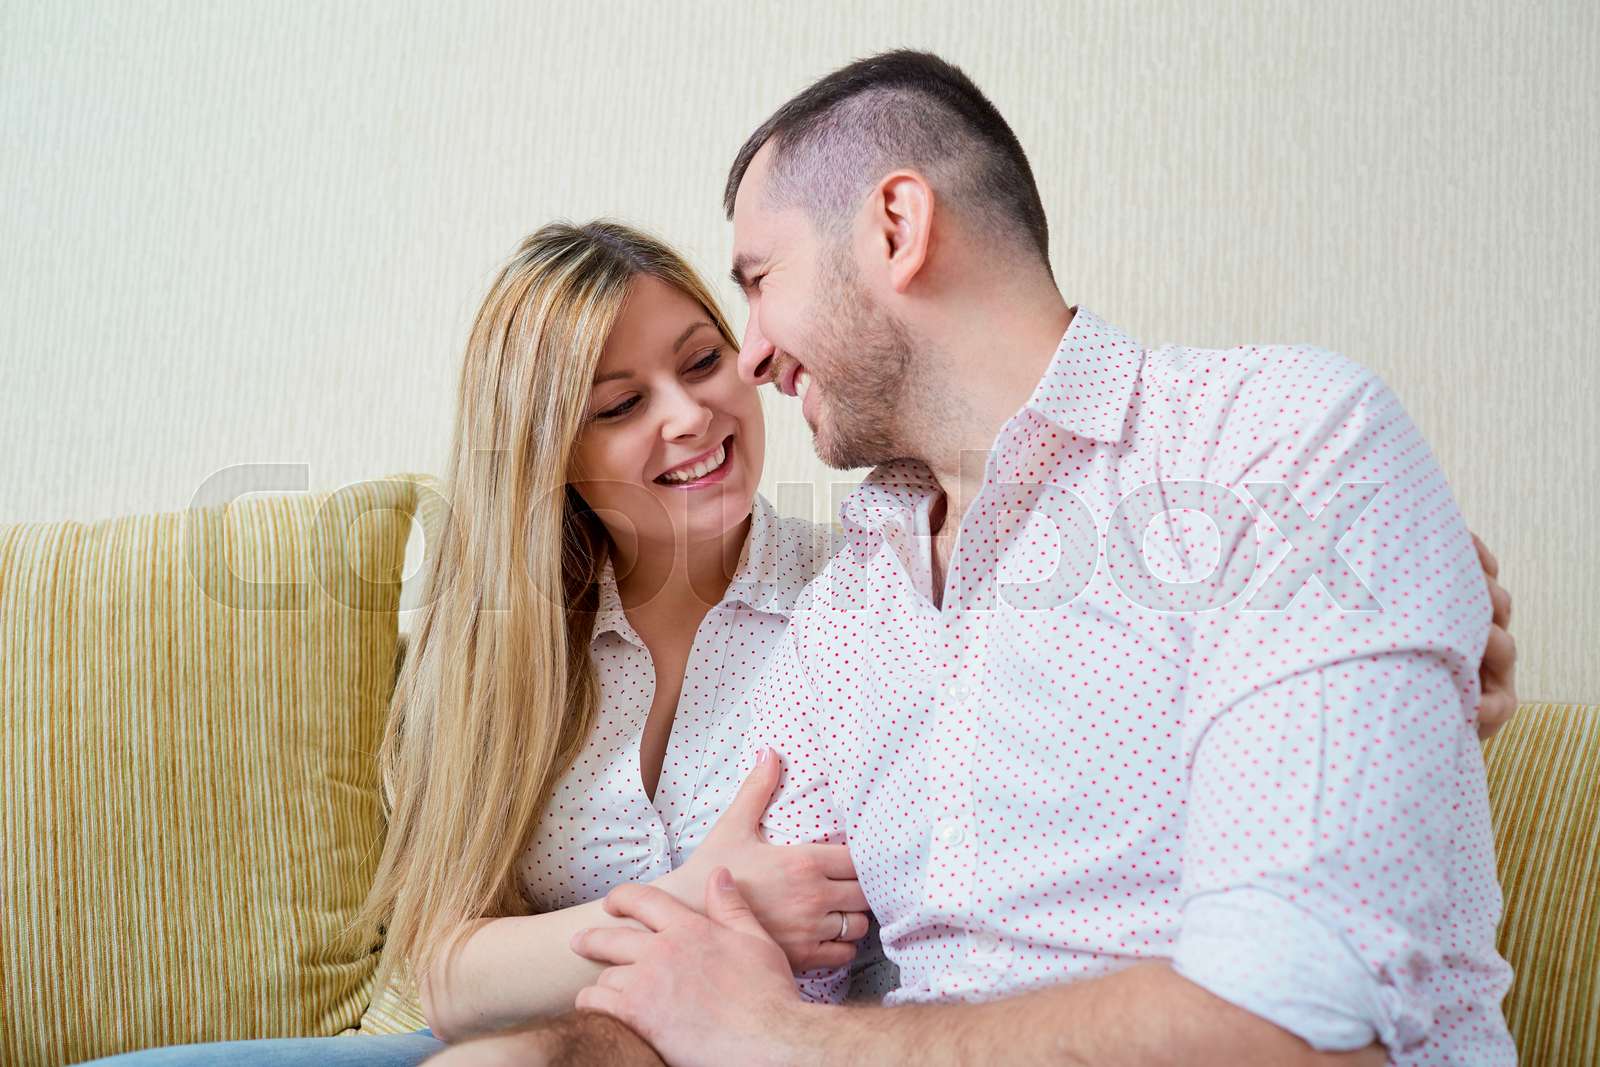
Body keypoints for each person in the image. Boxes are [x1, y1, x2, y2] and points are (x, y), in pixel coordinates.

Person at [547, 51, 1522, 1066]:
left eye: (759, 280)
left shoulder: (1274, 441)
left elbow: (1291, 1019)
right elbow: (719, 990)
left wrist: (791, 1039)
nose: (748, 353)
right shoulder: (847, 601)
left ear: (896, 226)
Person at [79, 222, 887, 1066]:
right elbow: (451, 980)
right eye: (620, 405)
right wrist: (697, 898)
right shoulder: (510, 643)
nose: (690, 416)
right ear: (553, 456)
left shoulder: (859, 593)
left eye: (702, 363)